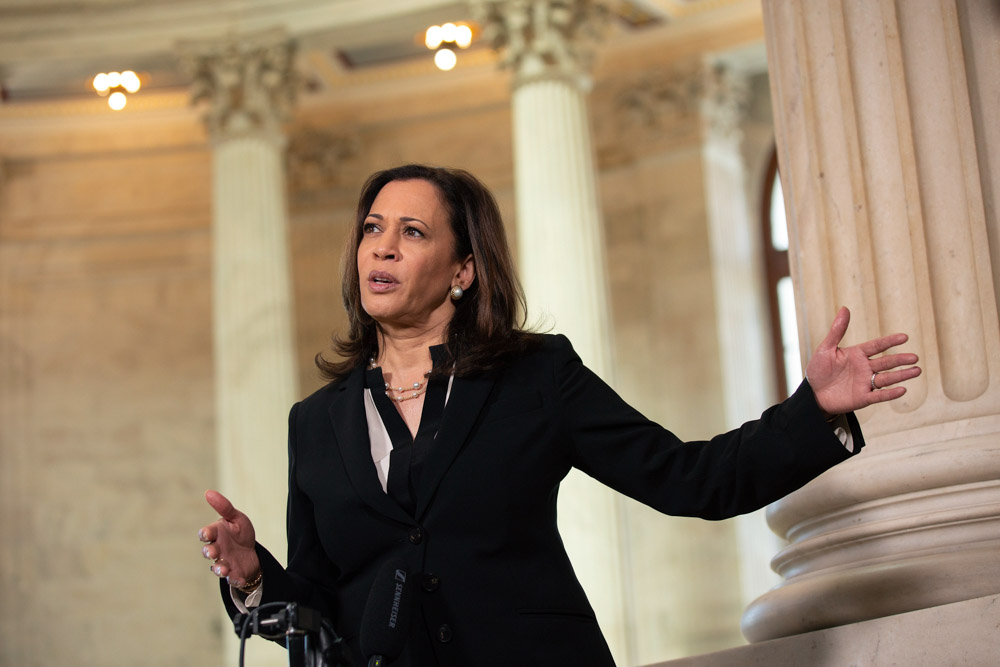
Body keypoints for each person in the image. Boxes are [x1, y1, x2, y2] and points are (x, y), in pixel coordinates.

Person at [197, 164, 920, 666]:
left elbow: (689, 478)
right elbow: (321, 607)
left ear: (463, 269)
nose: (382, 245)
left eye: (413, 231)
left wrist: (813, 408)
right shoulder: (314, 421)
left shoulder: (536, 375)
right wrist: (255, 574)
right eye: (372, 228)